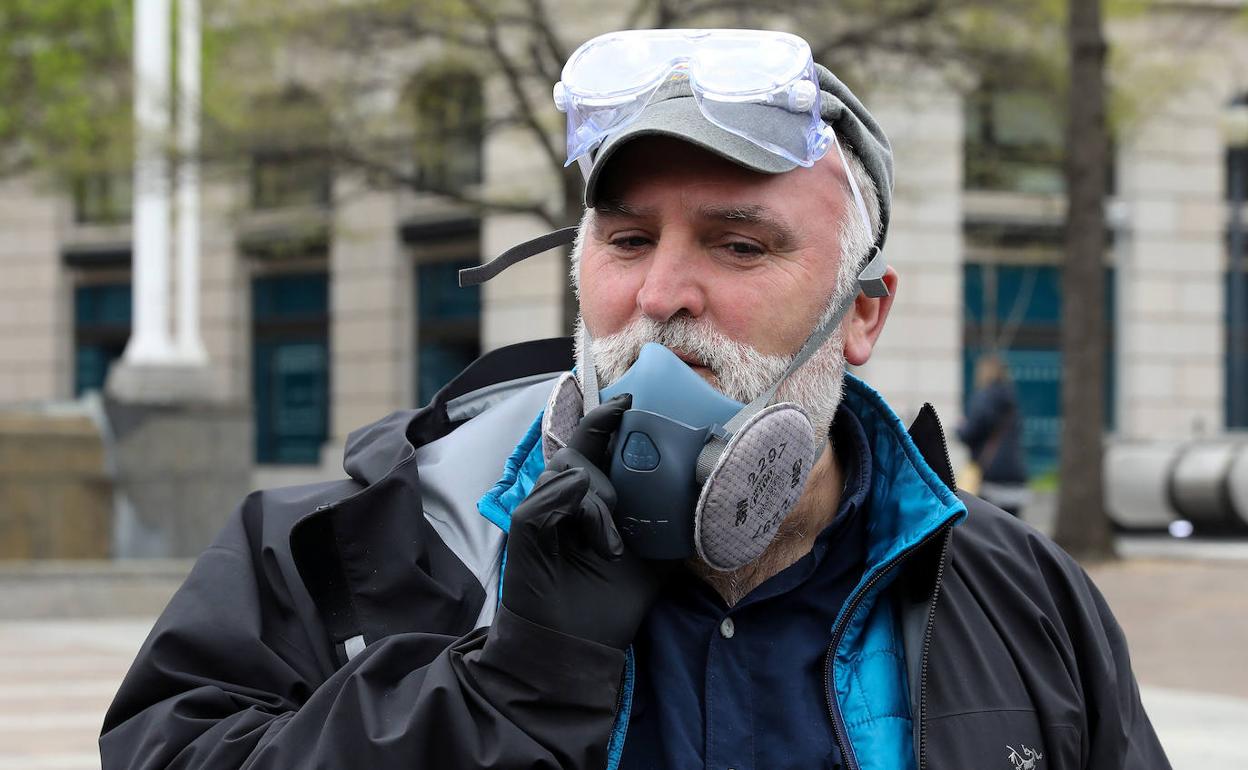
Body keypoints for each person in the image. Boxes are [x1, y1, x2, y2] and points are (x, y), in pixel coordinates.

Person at [100, 28, 1169, 770]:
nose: (659, 296)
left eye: (739, 244)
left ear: (861, 314)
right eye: (626, 239)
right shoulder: (346, 550)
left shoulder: (1020, 594)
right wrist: (507, 688)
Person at [957, 353, 1030, 516]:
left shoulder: (983, 398)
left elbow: (971, 433)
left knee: (987, 523)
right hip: (1015, 473)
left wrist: (960, 428)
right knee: (1011, 524)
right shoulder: (1011, 399)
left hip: (991, 473)